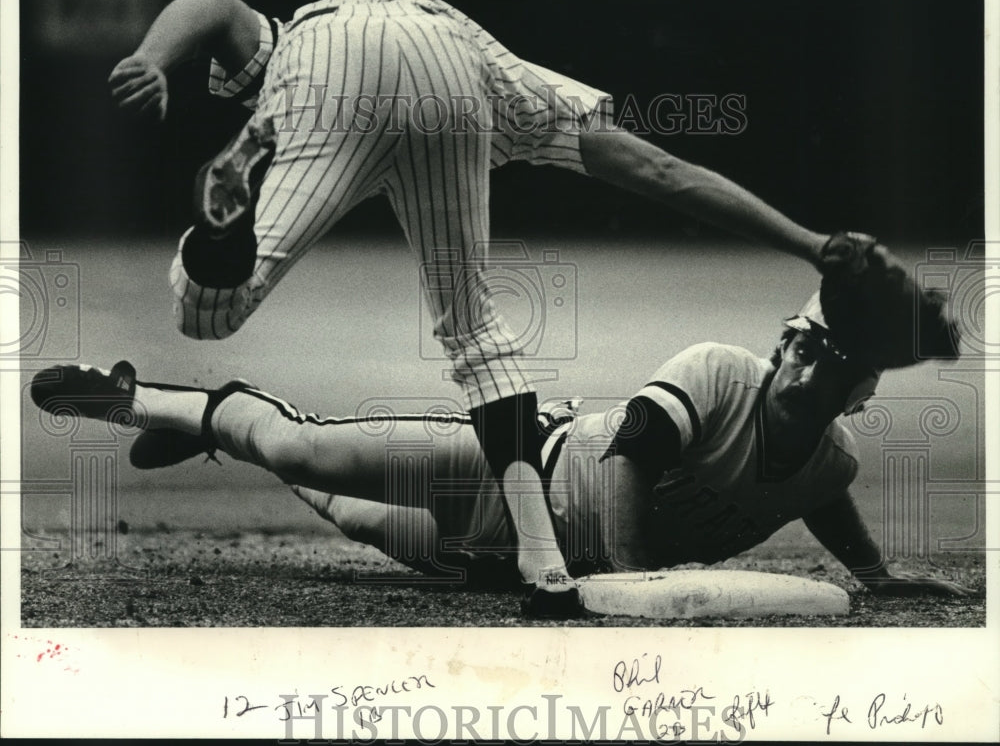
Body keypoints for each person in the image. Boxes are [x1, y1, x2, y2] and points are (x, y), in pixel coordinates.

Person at [105, 0, 863, 615]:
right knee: (472, 328)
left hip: (328, 62)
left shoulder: (286, 46)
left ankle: (219, 259)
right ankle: (547, 570)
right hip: (458, 56)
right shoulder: (517, 83)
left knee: (209, 316)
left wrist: (150, 58)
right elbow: (664, 173)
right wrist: (808, 243)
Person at [30, 293, 973, 600]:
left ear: (859, 386)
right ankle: (149, 399)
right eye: (799, 338)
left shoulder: (832, 456)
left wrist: (877, 575)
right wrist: (637, 587)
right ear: (780, 343)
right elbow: (634, 451)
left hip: (515, 570)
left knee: (345, 516)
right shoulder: (722, 371)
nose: (802, 357)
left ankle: (213, 438)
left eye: (829, 353)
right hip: (519, 475)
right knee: (302, 448)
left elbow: (823, 493)